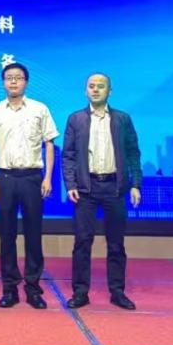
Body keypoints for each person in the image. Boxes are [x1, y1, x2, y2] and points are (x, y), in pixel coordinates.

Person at [0, 62, 58, 309]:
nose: (13, 81)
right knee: (7, 236)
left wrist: (47, 177)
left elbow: (49, 143)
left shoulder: (39, 109)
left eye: (18, 77)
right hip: (4, 178)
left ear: (26, 82)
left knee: (34, 235)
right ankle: (9, 289)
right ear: (3, 82)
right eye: (9, 78)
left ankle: (33, 289)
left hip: (32, 178)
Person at [62, 73, 142, 311]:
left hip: (114, 187)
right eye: (91, 86)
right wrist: (71, 184)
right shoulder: (76, 119)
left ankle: (117, 292)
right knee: (82, 242)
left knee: (116, 243)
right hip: (86, 188)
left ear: (110, 91)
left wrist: (136, 184)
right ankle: (80, 292)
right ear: (85, 90)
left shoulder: (122, 119)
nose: (95, 90)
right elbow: (68, 155)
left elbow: (133, 152)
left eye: (101, 86)